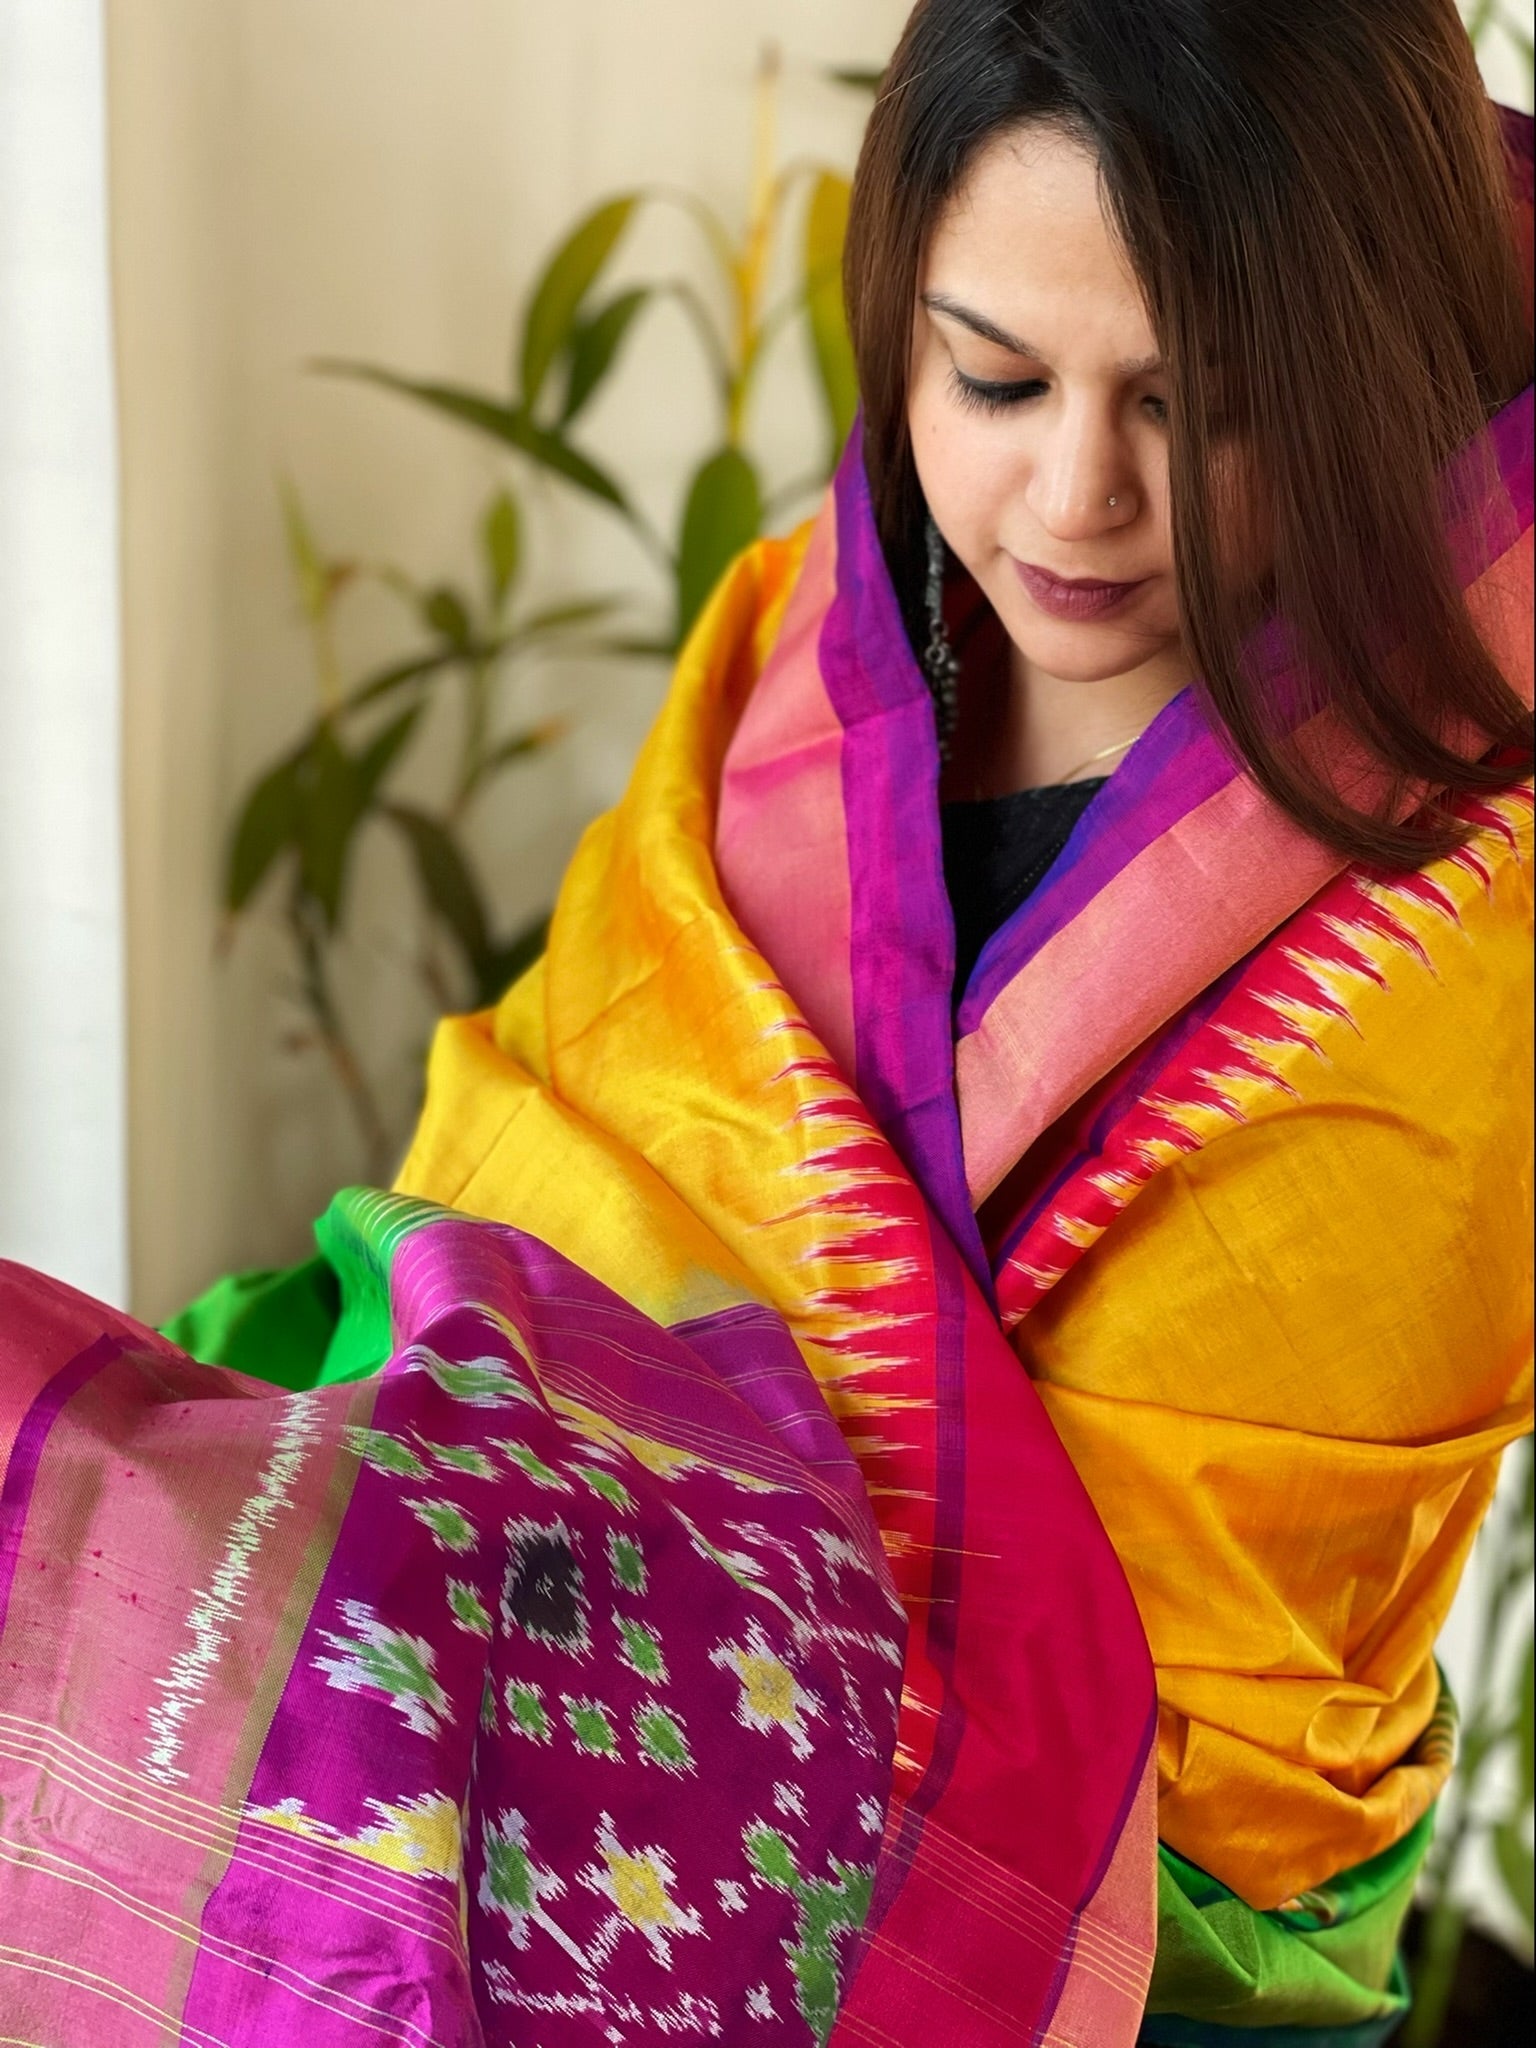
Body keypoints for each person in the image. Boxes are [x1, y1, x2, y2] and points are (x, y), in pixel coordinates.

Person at [1, 4, 1530, 2044]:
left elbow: (1229, 1568)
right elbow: (563, 1139)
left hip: (1163, 1908)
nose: (1076, 496)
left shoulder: (1486, 888)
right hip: (589, 1604)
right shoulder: (800, 651)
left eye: (1205, 408)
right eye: (993, 375)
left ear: (1370, 379)